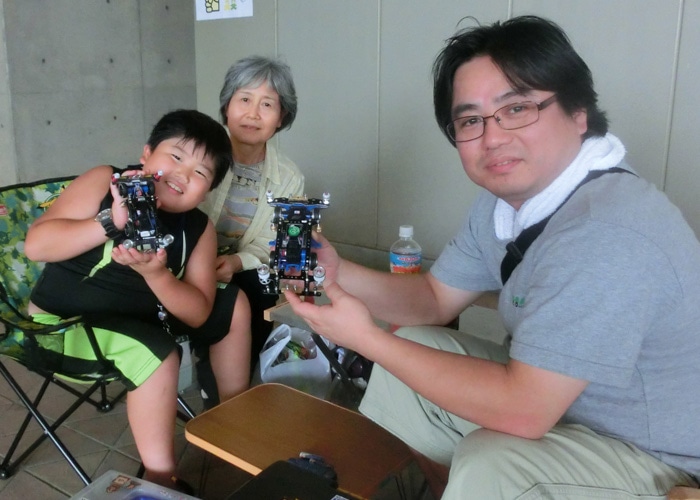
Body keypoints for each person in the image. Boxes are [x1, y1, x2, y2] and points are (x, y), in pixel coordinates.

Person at [284, 15, 700, 499]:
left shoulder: (606, 230)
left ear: (579, 113)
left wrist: (366, 339)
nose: (493, 137)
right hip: (569, 405)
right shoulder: (505, 206)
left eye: (517, 108)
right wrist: (339, 273)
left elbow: (525, 410)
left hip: (657, 456)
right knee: (413, 352)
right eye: (470, 121)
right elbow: (433, 299)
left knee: (493, 464)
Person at [24, 109, 251, 491]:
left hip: (143, 319)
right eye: (176, 156)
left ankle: (233, 423)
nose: (183, 174)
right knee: (158, 353)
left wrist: (157, 276)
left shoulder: (198, 228)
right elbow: (36, 246)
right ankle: (161, 481)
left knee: (232, 304)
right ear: (146, 154)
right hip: (63, 325)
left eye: (200, 172)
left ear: (208, 190)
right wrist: (110, 222)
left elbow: (198, 313)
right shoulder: (105, 182)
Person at [197, 55, 305, 402]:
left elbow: (276, 241)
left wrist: (235, 262)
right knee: (225, 303)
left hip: (239, 266)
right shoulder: (198, 155)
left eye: (267, 104)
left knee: (261, 288)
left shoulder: (288, 177)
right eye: (244, 99)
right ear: (226, 106)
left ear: (281, 118)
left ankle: (243, 391)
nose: (253, 113)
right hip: (188, 261)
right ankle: (219, 393)